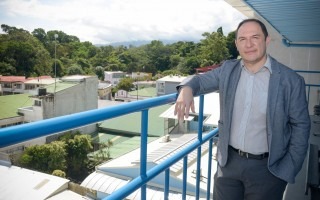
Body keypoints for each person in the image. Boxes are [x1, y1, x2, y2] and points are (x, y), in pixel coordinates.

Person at [174, 18, 311, 200]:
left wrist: (287, 169)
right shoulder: (227, 70)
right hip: (228, 165)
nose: (249, 44)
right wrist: (186, 89)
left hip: (268, 169)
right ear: (236, 44)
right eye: (242, 39)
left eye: (255, 37)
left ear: (267, 40)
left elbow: (301, 126)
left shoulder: (291, 80)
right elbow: (199, 81)